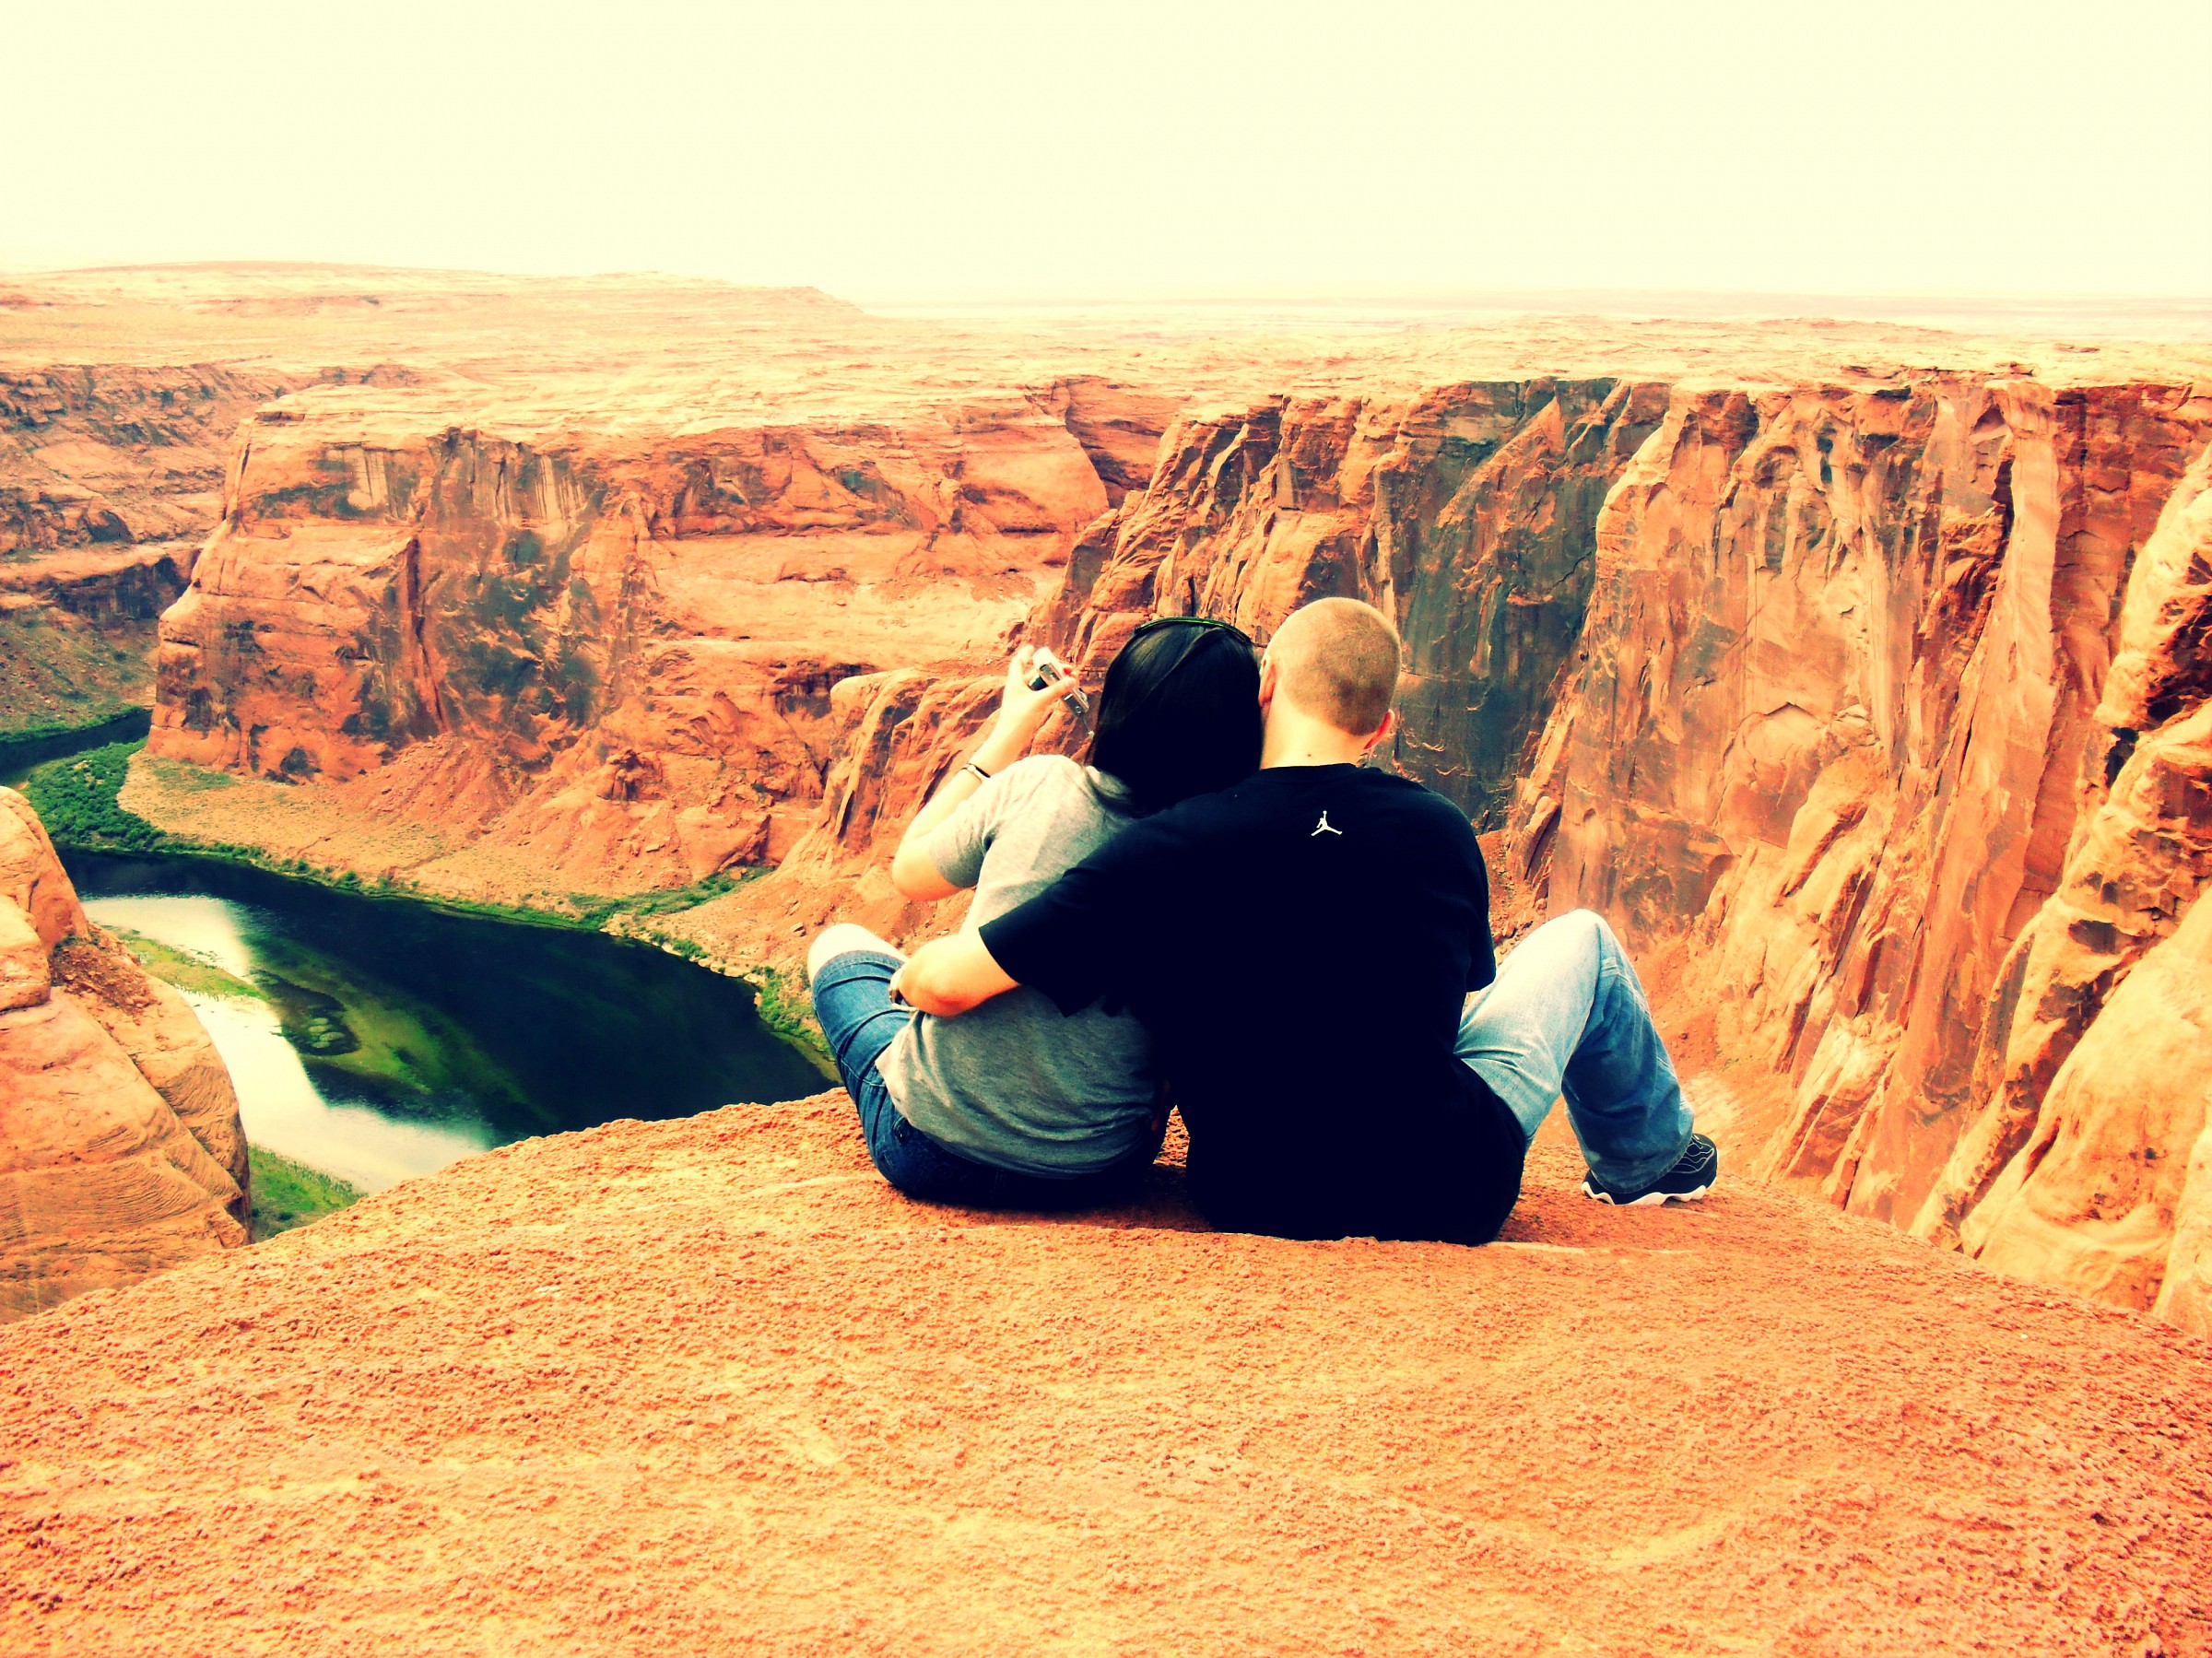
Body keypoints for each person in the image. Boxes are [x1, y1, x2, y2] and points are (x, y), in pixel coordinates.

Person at [890, 596, 1716, 1243]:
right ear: (1384, 724)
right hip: (1453, 1189)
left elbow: (969, 972)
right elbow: (1458, 1003)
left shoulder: (1169, 843)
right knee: (1584, 941)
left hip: (1255, 1194)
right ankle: (1649, 1161)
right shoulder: (1441, 829)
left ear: (1267, 683)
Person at [806, 620, 1263, 1209]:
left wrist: (1009, 727)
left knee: (839, 945)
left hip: (930, 1155)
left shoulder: (1041, 783)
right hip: (1102, 1171)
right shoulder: (1230, 852)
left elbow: (911, 873)